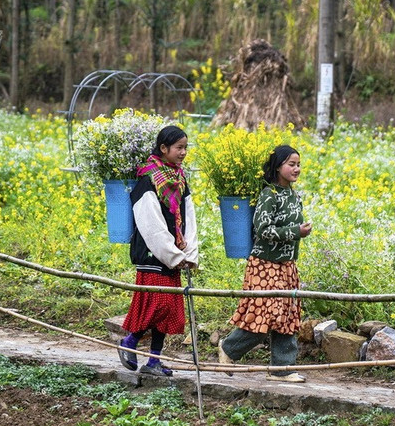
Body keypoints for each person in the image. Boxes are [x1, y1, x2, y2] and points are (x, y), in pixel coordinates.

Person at [217, 144, 312, 383]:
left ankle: (282, 368)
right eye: (291, 164)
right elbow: (262, 229)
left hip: (287, 265)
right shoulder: (268, 194)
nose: (296, 169)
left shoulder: (293, 195)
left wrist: (298, 233)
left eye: (298, 164)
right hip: (264, 264)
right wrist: (295, 231)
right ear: (278, 166)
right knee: (264, 314)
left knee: (287, 316)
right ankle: (229, 348)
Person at [119, 125, 198, 377]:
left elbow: (189, 217)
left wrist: (189, 253)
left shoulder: (180, 179)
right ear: (163, 149)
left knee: (168, 311)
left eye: (185, 147)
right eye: (179, 148)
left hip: (173, 254)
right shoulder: (148, 180)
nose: (183, 152)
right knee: (156, 305)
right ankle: (129, 341)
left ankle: (154, 360)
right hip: (154, 254)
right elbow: (150, 224)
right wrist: (173, 255)